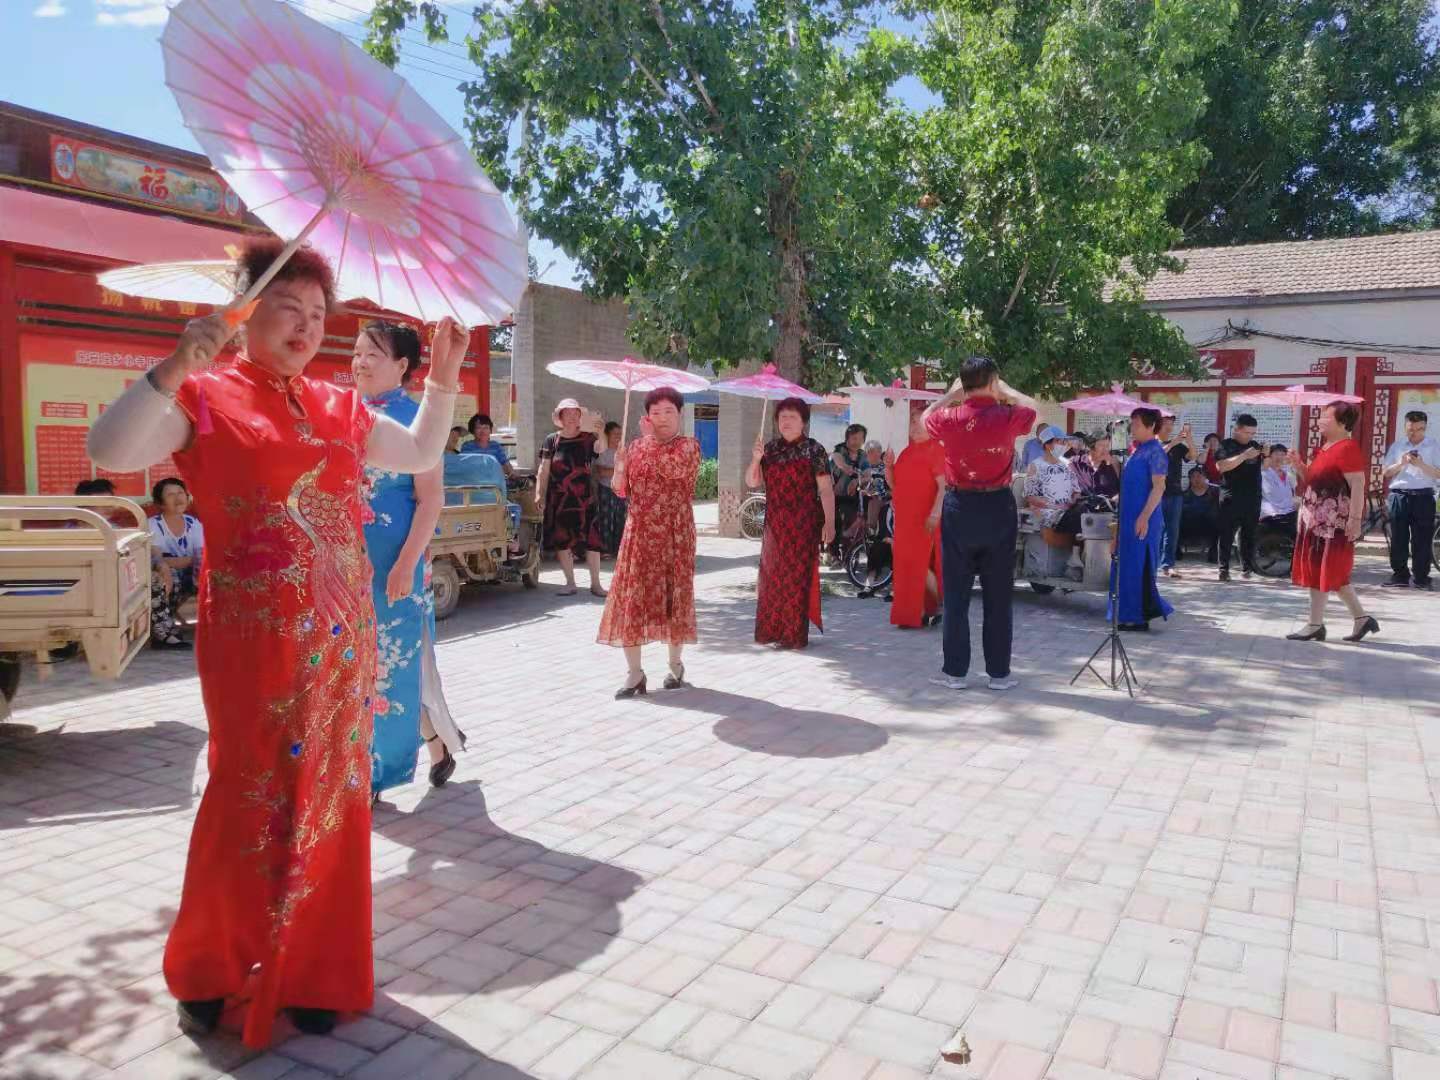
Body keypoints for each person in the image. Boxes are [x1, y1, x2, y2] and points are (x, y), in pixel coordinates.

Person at [85, 238, 463, 1047]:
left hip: (342, 638)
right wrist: (172, 367)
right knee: (246, 791)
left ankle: (318, 971)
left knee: (331, 795)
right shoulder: (206, 394)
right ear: (244, 312)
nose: (306, 326)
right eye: (287, 308)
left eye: (318, 314)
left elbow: (421, 452)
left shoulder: (337, 405)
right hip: (252, 644)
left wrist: (442, 377)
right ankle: (212, 967)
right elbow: (109, 451)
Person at [352, 321, 466, 799]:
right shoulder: (342, 412)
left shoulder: (418, 419)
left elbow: (431, 499)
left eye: (373, 354)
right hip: (345, 564)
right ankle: (436, 743)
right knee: (354, 665)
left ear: (402, 366)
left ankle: (376, 773)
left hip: (394, 563)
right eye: (357, 352)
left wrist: (405, 566)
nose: (360, 362)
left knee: (391, 668)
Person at [924, 356, 1038, 691]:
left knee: (956, 595)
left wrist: (951, 395)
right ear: (992, 381)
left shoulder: (949, 417)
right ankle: (999, 674)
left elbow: (926, 417)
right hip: (998, 507)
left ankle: (955, 672)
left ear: (963, 384)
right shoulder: (1008, 415)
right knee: (998, 596)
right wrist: (1005, 391)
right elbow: (1035, 408)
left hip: (960, 507)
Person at [597, 388, 701, 697]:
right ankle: (634, 673)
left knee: (674, 597)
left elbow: (673, 470)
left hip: (675, 533)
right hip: (639, 533)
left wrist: (650, 442)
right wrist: (620, 466)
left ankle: (675, 666)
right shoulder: (635, 447)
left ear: (680, 414)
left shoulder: (688, 446)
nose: (662, 418)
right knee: (632, 598)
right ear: (647, 416)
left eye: (669, 411)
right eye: (656, 412)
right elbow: (621, 489)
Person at [1285, 403, 1380, 643]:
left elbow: (1358, 485)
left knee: (1328, 571)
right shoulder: (1325, 448)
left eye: (1325, 417)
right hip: (1315, 522)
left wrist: (1355, 520)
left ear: (1342, 423)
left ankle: (1315, 624)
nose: (1320, 420)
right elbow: (1313, 479)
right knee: (1331, 573)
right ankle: (1360, 619)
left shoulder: (1347, 448)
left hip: (1333, 524)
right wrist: (1299, 465)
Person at [748, 397, 837, 648]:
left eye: (792, 417)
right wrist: (755, 459)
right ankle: (771, 631)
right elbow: (752, 482)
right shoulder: (769, 449)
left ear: (803, 422)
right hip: (774, 525)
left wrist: (829, 523)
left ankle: (792, 635)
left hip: (803, 524)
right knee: (771, 577)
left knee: (795, 578)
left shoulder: (814, 449)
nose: (786, 421)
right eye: (782, 417)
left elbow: (826, 489)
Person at [536, 398, 605, 597]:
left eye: (575, 413)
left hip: (585, 498)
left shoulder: (588, 438)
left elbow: (601, 449)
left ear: (580, 416)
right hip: (560, 499)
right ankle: (570, 583)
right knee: (563, 541)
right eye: (567, 413)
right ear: (560, 417)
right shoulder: (551, 440)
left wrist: (601, 432)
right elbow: (544, 469)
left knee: (592, 541)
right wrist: (539, 493)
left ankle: (596, 584)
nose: (572, 417)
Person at [1111, 408, 1173, 631]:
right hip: (1129, 514)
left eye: (1136, 424)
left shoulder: (1156, 452)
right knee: (1126, 565)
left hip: (1144, 517)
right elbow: (1126, 480)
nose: (1132, 428)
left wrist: (1144, 517)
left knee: (1139, 565)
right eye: (1132, 423)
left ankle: (1138, 617)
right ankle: (1126, 613)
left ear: (1151, 426)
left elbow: (1159, 487)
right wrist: (1113, 459)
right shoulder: (1137, 450)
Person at [886, 405, 945, 628]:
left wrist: (936, 512)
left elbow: (943, 487)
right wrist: (888, 467)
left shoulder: (936, 450)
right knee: (905, 565)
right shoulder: (905, 453)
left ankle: (938, 604)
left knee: (918, 564)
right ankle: (916, 612)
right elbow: (895, 485)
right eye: (913, 422)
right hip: (905, 520)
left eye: (922, 422)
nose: (916, 426)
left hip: (925, 518)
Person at [1381, 410, 1440, 589]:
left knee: (1422, 538)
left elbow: (1438, 473)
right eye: (1411, 429)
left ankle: (1421, 577)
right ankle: (1400, 575)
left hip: (1424, 496)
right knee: (1398, 537)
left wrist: (1420, 464)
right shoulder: (1398, 446)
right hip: (1399, 495)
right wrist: (1402, 463)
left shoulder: (1434, 446)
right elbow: (1386, 473)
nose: (1414, 433)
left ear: (1425, 427)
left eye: (1419, 429)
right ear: (1405, 427)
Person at [149, 477, 203, 651]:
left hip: (190, 575)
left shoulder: (193, 523)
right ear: (161, 503)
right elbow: (157, 559)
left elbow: (201, 556)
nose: (178, 498)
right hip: (167, 577)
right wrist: (169, 564)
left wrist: (186, 563)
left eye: (181, 493)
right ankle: (163, 635)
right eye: (170, 494)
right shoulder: (153, 525)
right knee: (164, 575)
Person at [1215, 414, 1264, 580]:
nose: (1250, 436)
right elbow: (1221, 467)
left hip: (1253, 497)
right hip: (1231, 496)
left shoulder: (1254, 446)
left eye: (1253, 433)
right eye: (1247, 432)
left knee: (1248, 534)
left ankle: (1247, 568)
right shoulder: (1225, 445)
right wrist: (1244, 456)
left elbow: (1265, 466)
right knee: (1227, 534)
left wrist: (1268, 455)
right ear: (1237, 429)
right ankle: (1224, 569)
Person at [1023, 426, 1077, 529]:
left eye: (1064, 441)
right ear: (1047, 445)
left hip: (1068, 511)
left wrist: (1074, 500)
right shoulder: (1035, 466)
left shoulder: (1068, 465)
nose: (1063, 445)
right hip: (1047, 513)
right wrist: (1054, 506)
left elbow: (1076, 491)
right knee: (1072, 520)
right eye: (1059, 441)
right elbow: (1031, 497)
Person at [1159, 418, 1193, 579]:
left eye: (1171, 424)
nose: (1169, 427)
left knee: (1172, 531)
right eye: (1166, 423)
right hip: (1155, 493)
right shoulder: (1151, 444)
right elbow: (1157, 455)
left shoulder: (1178, 446)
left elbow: (1193, 456)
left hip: (1175, 492)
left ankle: (1168, 565)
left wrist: (1189, 438)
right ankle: (1153, 563)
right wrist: (1173, 443)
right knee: (1155, 529)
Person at [830, 423, 867, 562]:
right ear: (847, 438)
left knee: (853, 521)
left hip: (851, 497)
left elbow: (868, 474)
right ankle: (834, 555)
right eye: (853, 438)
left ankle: (848, 554)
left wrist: (857, 480)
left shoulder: (862, 455)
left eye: (860, 438)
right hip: (833, 496)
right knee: (835, 522)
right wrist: (846, 468)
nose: (856, 442)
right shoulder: (840, 450)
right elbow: (838, 460)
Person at [595, 420, 628, 556]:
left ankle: (619, 550)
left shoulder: (623, 451)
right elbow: (601, 472)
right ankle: (605, 549)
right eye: (615, 434)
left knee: (620, 518)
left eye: (620, 434)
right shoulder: (603, 451)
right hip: (606, 488)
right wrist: (619, 470)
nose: (618, 437)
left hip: (621, 489)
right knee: (606, 518)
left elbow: (629, 470)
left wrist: (618, 471)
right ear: (607, 435)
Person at [1180, 468, 1220, 563]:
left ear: (1205, 478)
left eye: (1199, 476)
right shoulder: (1184, 495)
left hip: (1209, 525)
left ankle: (1214, 554)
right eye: (1193, 477)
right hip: (1188, 526)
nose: (1196, 479)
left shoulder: (1215, 493)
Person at [1261, 443, 1298, 539]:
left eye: (1282, 454)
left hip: (1288, 511)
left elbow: (1294, 488)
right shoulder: (1264, 472)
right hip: (1272, 512)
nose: (1279, 457)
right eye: (1276, 454)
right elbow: (1271, 494)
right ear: (1270, 456)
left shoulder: (1288, 472)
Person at [1070, 433, 1120, 501]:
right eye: (1101, 445)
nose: (1105, 449)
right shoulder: (1076, 463)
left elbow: (1120, 489)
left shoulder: (1113, 464)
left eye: (1107, 446)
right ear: (1091, 447)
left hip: (1108, 506)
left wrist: (1117, 497)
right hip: (1084, 506)